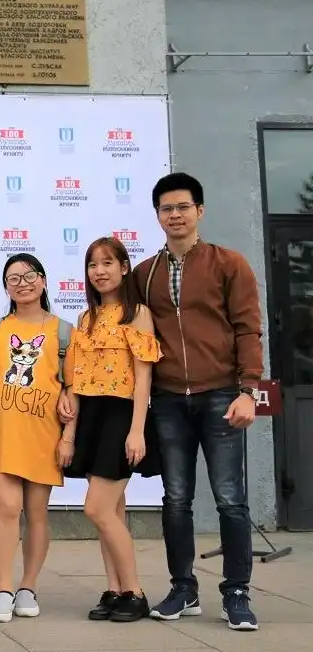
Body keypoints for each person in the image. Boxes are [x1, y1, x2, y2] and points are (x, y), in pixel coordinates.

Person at [131, 172, 263, 631]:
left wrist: (248, 391)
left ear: (199, 211)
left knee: (230, 499)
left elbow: (248, 329)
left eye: (183, 207)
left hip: (222, 394)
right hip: (169, 399)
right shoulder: (145, 274)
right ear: (157, 215)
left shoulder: (229, 264)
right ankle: (183, 588)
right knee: (175, 499)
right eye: (166, 208)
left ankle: (237, 593)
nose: (175, 215)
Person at [58, 236, 161, 623]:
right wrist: (69, 435)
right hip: (90, 415)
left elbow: (143, 377)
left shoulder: (137, 314)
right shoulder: (85, 319)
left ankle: (135, 591)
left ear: (123, 267)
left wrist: (137, 430)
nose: (99, 271)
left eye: (107, 263)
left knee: (97, 508)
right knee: (111, 511)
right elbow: (76, 380)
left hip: (122, 415)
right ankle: (114, 589)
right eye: (92, 265)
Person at [0, 253, 74, 623]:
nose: (22, 283)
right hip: (1, 432)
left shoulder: (64, 331)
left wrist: (68, 437)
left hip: (44, 434)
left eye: (30, 276)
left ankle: (28, 586)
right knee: (8, 508)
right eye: (13, 278)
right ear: (6, 287)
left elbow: (72, 389)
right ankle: (3, 589)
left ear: (43, 281)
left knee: (37, 512)